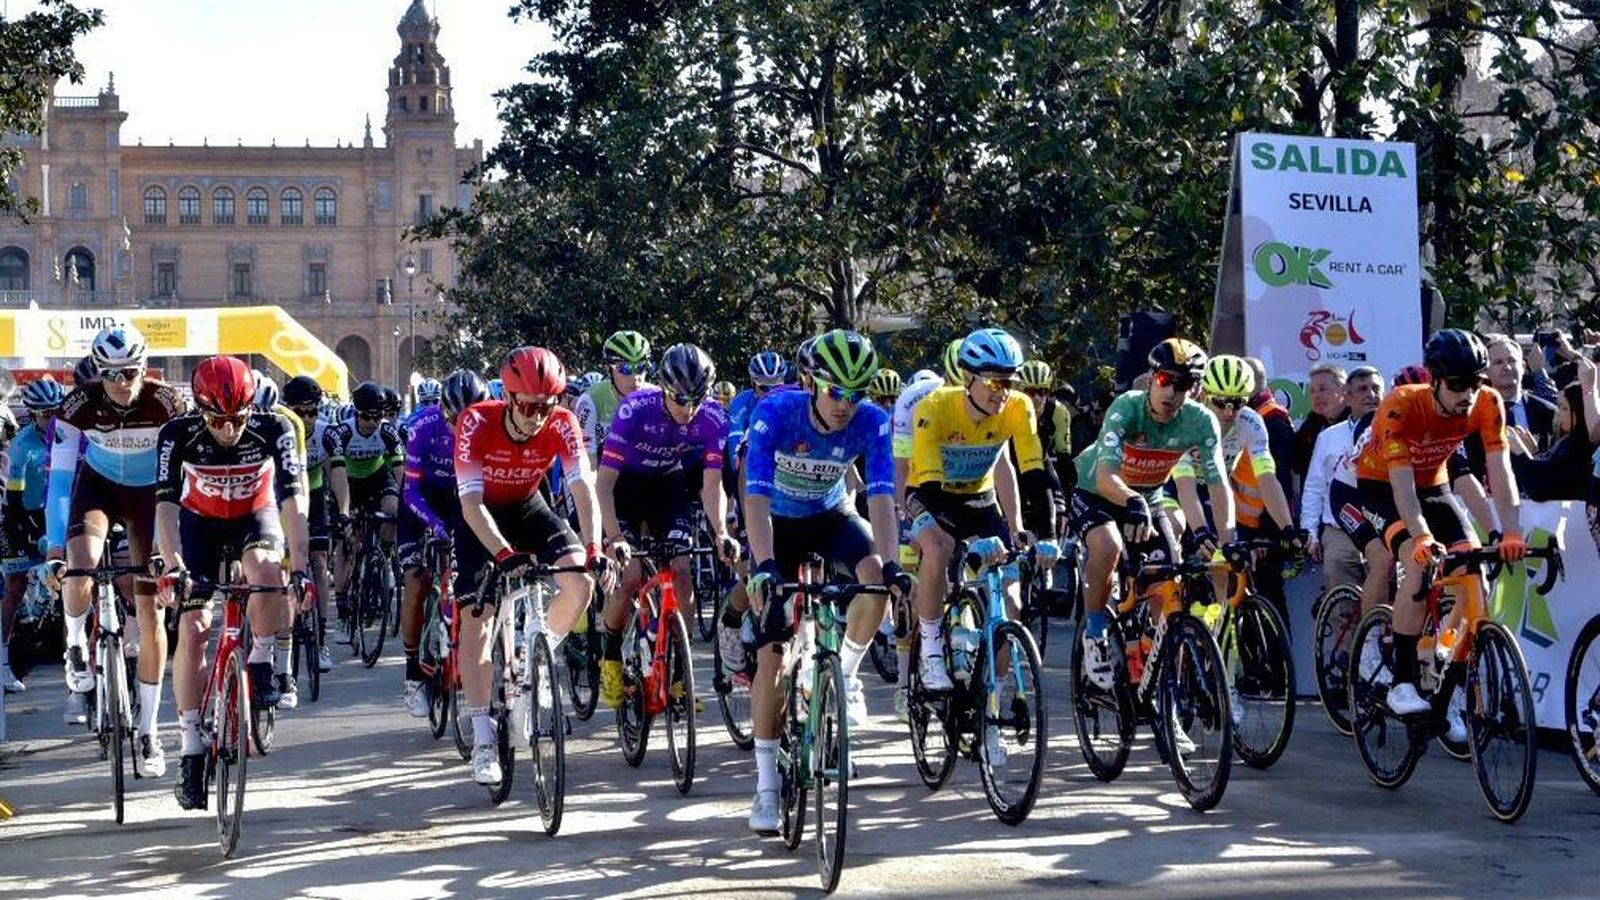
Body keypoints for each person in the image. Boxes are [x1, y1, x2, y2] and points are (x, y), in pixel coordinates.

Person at [740, 328, 906, 834]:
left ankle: (846, 674)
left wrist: (896, 563)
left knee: (874, 577)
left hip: (832, 513)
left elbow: (879, 499)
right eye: (836, 391)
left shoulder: (873, 422)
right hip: (779, 525)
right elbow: (757, 499)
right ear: (811, 381)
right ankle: (767, 785)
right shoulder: (776, 413)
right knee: (772, 656)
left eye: (856, 394)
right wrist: (765, 565)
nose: (845, 406)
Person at [152, 356, 311, 809]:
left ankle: (260, 661)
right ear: (200, 411)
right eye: (218, 420)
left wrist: (297, 566)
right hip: (198, 525)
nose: (228, 429)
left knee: (266, 572)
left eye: (238, 418)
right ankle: (189, 747)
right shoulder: (177, 434)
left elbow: (294, 503)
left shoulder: (274, 429)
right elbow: (164, 506)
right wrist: (172, 563)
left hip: (252, 518)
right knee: (193, 628)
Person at [453, 346, 614, 785]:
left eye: (546, 405)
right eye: (526, 406)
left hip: (527, 507)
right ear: (508, 398)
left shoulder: (562, 423)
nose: (536, 416)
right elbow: (469, 504)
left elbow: (584, 489)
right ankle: (485, 734)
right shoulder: (476, 422)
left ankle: (536, 656)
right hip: (480, 517)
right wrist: (503, 555)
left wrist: (595, 546)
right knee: (478, 618)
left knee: (579, 582)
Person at [1354, 329, 1526, 736]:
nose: (1469, 393)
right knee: (1417, 560)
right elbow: (1401, 489)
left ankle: (1449, 683)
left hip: (1435, 483)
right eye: (1458, 384)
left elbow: (1499, 472)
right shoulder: (1400, 405)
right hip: (1382, 487)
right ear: (1435, 380)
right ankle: (1402, 681)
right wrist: (1421, 537)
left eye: (1476, 382)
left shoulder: (1488, 402)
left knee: (1473, 569)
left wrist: (1510, 532)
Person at [45, 325, 183, 777]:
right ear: (98, 374)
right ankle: (74, 646)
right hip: (99, 488)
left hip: (150, 496)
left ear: (145, 368)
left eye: (132, 372)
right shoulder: (77, 406)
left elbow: (180, 480)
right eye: (113, 374)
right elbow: (61, 481)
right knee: (80, 566)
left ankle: (147, 731)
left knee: (151, 615)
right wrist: (53, 547)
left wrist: (172, 547)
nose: (124, 383)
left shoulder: (167, 403)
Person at [1072, 338, 1233, 690]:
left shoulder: (1201, 421)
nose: (1172, 392)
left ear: (1195, 389)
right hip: (1099, 492)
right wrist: (1131, 500)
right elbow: (1106, 475)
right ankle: (1095, 633)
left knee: (1169, 588)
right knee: (1108, 546)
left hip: (1149, 498)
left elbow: (1218, 484)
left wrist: (1226, 538)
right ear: (1151, 377)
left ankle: (1166, 699)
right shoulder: (1127, 407)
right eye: (1165, 380)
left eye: (1184, 385)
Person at [906, 328, 1059, 691]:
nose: (1003, 393)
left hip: (980, 498)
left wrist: (1044, 533)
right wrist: (970, 540)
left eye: (1009, 382)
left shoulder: (1018, 407)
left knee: (1010, 596)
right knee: (939, 548)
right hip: (931, 496)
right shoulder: (935, 407)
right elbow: (929, 488)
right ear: (969, 378)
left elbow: (1034, 474)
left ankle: (992, 699)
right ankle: (929, 647)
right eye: (994, 383)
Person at [595, 343, 738, 710]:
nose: (688, 409)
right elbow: (604, 483)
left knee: (682, 570)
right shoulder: (634, 409)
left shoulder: (714, 418)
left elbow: (712, 485)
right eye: (679, 399)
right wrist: (614, 538)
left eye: (696, 399)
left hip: (667, 488)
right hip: (625, 487)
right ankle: (610, 658)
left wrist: (721, 531)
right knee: (628, 579)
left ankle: (680, 676)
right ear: (663, 387)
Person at [398, 369, 488, 717]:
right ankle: (411, 673)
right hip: (424, 502)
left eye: (471, 421)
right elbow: (411, 491)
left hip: (464, 498)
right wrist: (435, 525)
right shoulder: (423, 427)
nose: (463, 429)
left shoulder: (490, 426)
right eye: (455, 421)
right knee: (416, 580)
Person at [2, 377, 65, 693]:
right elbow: (13, 503)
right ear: (32, 414)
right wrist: (29, 535)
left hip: (57, 512)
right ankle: (2, 659)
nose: (51, 419)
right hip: (22, 515)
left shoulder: (70, 437)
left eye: (56, 411)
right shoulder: (22, 445)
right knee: (15, 585)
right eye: (44, 414)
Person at [1300, 365, 1385, 597]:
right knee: (1343, 609)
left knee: (1386, 606)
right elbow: (1314, 488)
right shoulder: (1328, 437)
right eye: (1362, 389)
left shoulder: (1393, 431)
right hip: (1339, 534)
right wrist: (1310, 531)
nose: (1371, 394)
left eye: (1376, 388)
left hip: (1382, 529)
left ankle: (1376, 634)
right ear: (1347, 397)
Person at [282, 375, 340, 674]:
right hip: (283, 500)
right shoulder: (279, 429)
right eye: (300, 411)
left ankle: (321, 638)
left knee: (318, 563)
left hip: (315, 497)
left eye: (312, 411)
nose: (306, 418)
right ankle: (284, 642)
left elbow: (338, 474)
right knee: (285, 566)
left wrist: (343, 511)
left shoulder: (325, 432)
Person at [575, 330, 652, 467]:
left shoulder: (656, 397)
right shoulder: (590, 401)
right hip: (601, 466)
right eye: (626, 369)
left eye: (640, 367)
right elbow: (587, 461)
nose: (635, 377)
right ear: (608, 369)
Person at [1484, 333, 1556, 452]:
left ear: (1523, 366)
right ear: (1486, 370)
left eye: (1512, 360)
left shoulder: (1547, 412)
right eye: (1498, 362)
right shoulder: (1473, 413)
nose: (1506, 367)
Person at [1293, 363, 1349, 481]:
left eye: (1322, 389)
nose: (1316, 396)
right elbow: (1296, 463)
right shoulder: (1314, 421)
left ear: (1343, 390)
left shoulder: (1357, 423)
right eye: (1312, 391)